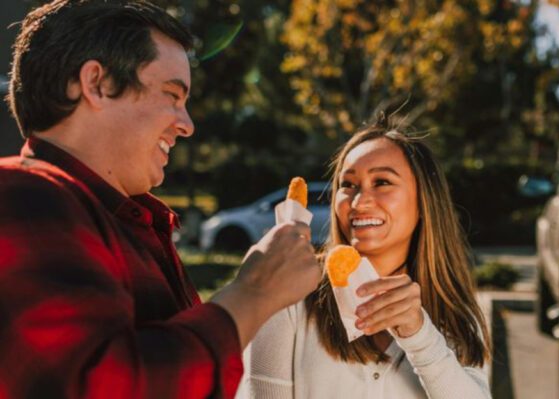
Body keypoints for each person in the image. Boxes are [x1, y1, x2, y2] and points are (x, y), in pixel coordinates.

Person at [0, 1, 320, 398]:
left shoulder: (127, 222)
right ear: (96, 83)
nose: (186, 125)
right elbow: (102, 388)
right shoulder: (22, 195)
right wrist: (255, 292)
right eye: (172, 95)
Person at [240, 115, 492, 398]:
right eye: (348, 185)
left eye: (382, 182)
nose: (359, 202)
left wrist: (420, 336)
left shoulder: (456, 313)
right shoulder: (289, 295)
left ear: (424, 201)